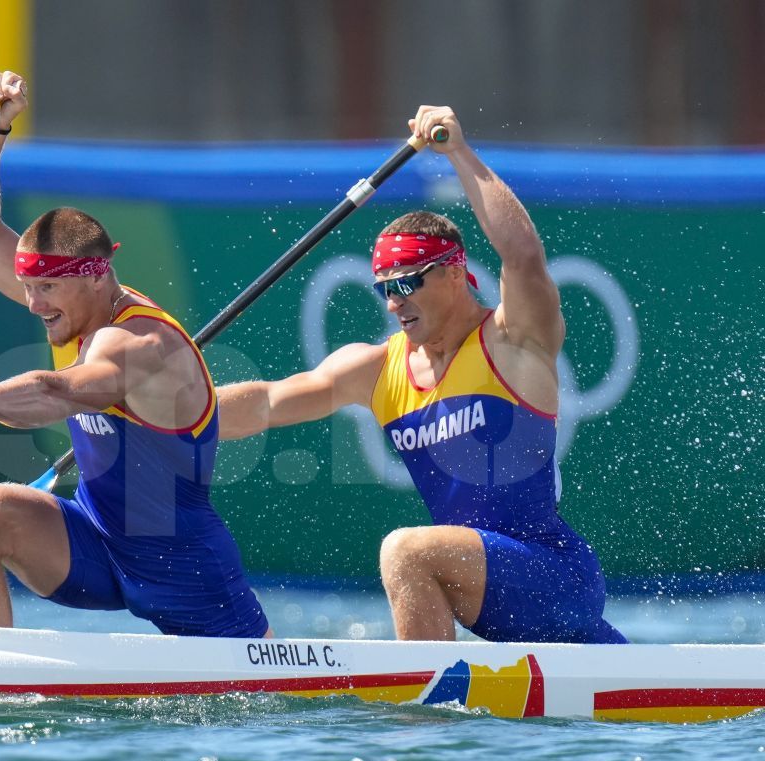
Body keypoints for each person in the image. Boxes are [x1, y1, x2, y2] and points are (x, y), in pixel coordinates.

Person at [217, 106, 626, 644]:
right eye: (384, 287)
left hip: (554, 576)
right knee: (415, 553)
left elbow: (523, 255)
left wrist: (457, 152)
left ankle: (421, 710)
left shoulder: (511, 341)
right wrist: (149, 414)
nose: (394, 303)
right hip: (492, 597)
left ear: (456, 272)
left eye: (407, 282)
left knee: (405, 550)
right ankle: (434, 709)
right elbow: (267, 403)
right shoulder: (377, 367)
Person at [0, 71, 269, 638]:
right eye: (27, 286)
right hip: (95, 542)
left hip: (183, 566)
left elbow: (55, 393)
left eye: (46, 288)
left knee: (258, 707)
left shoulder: (142, 344)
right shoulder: (68, 303)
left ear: (96, 276)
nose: (31, 303)